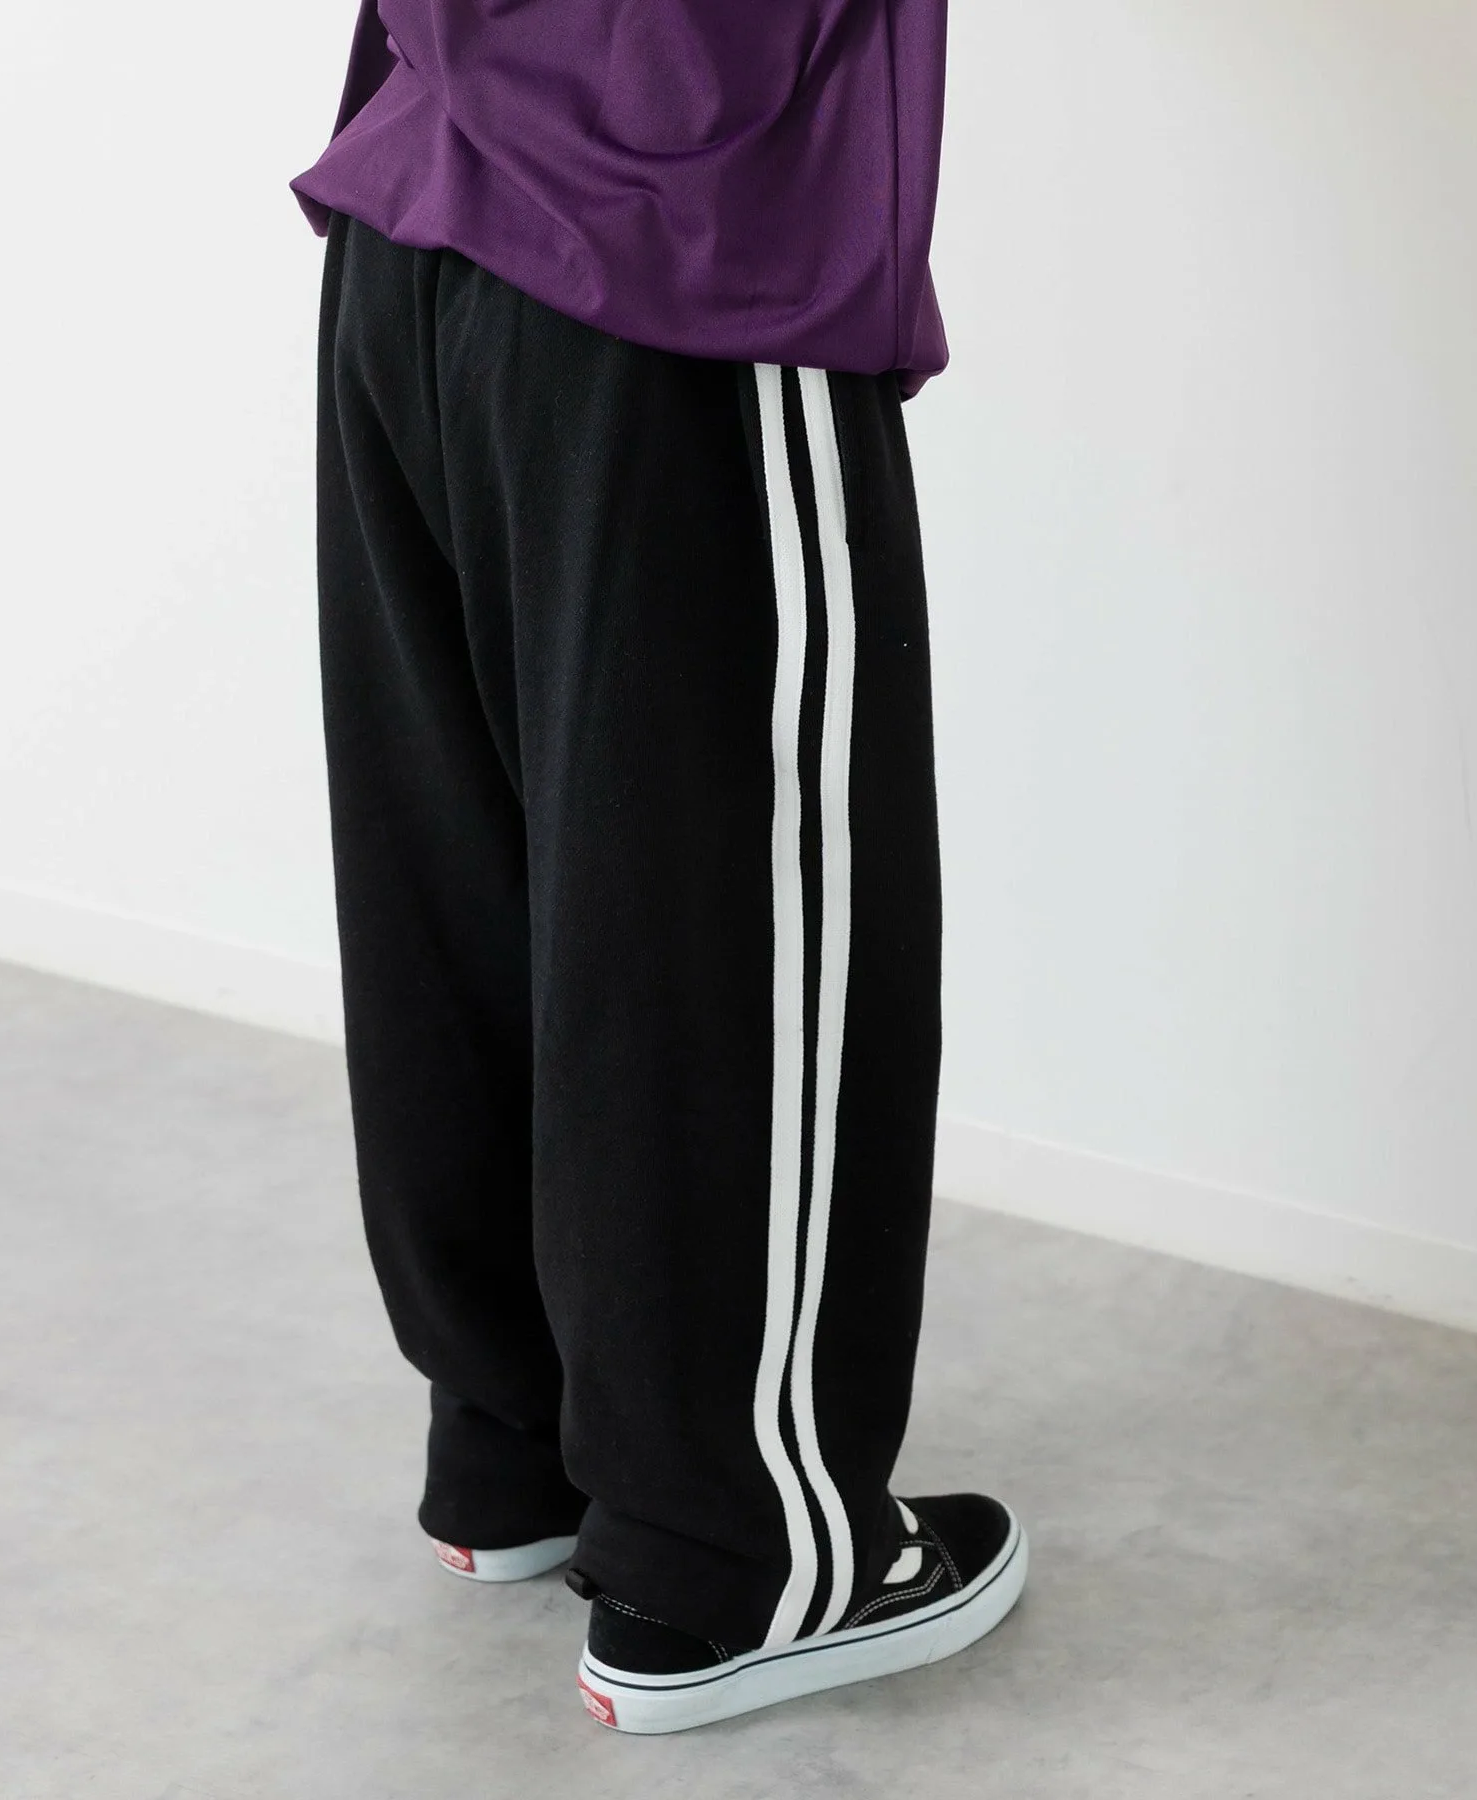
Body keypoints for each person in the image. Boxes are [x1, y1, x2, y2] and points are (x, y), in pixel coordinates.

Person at [290, 0, 1026, 1735]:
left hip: (421, 211)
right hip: (684, 248)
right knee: (721, 922)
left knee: (473, 871)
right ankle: (736, 1553)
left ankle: (515, 1444)